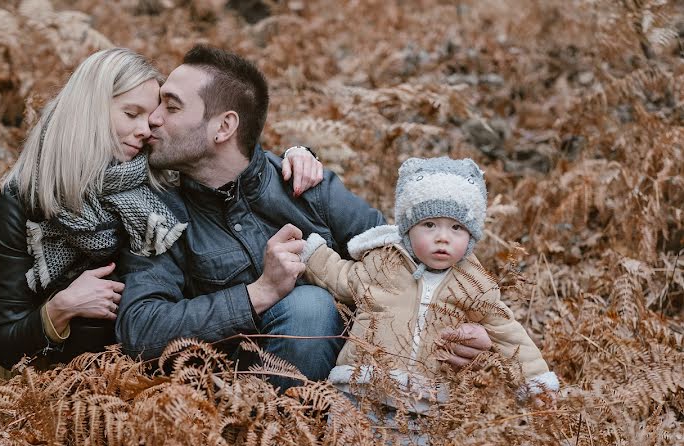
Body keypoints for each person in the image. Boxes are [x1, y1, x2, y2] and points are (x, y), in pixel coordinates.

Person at [116, 46, 494, 389]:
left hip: (342, 385)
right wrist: (258, 293)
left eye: (172, 106)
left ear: (224, 127)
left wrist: (477, 327)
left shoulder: (305, 186)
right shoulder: (157, 212)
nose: (152, 119)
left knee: (310, 306)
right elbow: (140, 328)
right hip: (223, 396)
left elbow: (414, 253)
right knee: (306, 304)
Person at [0, 48, 321, 377]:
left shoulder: (157, 178)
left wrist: (295, 157)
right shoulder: (24, 201)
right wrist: (60, 308)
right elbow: (4, 343)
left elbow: (224, 159)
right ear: (88, 111)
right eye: (131, 114)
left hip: (150, 380)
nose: (146, 129)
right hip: (51, 390)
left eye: (150, 117)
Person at [300, 156, 559, 446]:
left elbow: (509, 333)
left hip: (422, 403)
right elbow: (342, 277)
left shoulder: (474, 283)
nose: (442, 238)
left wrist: (536, 382)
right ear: (408, 228)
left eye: (457, 228)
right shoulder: (383, 263)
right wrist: (311, 253)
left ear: (472, 235)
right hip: (359, 387)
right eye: (430, 224)